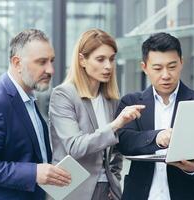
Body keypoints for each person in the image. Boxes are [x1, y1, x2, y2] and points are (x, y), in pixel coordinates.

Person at [0, 29, 71, 200]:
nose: (50, 70)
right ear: (17, 63)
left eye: (51, 61)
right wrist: (34, 173)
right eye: (42, 62)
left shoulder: (29, 97)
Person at [116, 32, 194, 200]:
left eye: (172, 66)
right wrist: (157, 137)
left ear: (181, 62)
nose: (165, 75)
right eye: (157, 68)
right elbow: (124, 141)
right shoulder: (131, 102)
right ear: (144, 67)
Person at [48, 29, 144, 200]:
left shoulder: (111, 100)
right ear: (82, 60)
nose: (108, 66)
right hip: (73, 191)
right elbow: (75, 147)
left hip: (106, 191)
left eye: (112, 59)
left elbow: (115, 152)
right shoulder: (63, 95)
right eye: (100, 59)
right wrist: (115, 125)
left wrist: (112, 181)